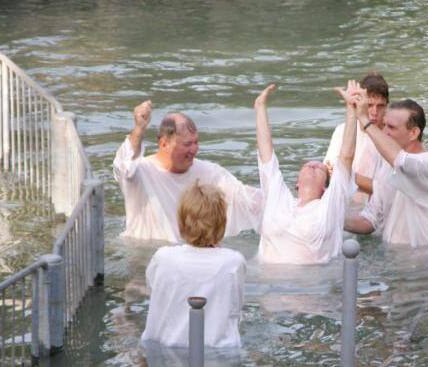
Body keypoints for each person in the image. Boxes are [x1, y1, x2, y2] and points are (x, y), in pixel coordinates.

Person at [113, 101, 261, 244]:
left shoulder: (209, 172)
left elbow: (244, 198)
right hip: (143, 255)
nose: (194, 149)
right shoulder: (140, 172)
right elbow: (123, 164)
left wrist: (274, 202)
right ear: (164, 144)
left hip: (189, 255)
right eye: (187, 144)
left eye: (196, 142)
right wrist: (139, 129)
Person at [253, 83, 358, 264]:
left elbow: (346, 157)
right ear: (297, 182)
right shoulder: (280, 199)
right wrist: (260, 107)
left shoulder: (329, 207)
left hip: (311, 286)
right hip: (268, 285)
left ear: (325, 187)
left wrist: (351, 110)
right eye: (307, 165)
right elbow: (266, 155)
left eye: (320, 169)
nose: (313, 165)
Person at [142, 182, 246, 348]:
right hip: (219, 352)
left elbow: (153, 289)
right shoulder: (233, 262)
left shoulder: (162, 258)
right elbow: (237, 306)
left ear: (181, 222)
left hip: (163, 349)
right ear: (222, 223)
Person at [344, 98, 428, 247]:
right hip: (393, 260)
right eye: (384, 126)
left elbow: (401, 161)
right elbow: (369, 220)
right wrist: (330, 216)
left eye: (391, 127)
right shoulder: (387, 167)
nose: (384, 132)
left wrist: (364, 119)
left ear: (413, 133)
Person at [324, 72, 389, 200]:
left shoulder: (391, 137)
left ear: (387, 106)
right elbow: (329, 172)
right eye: (369, 105)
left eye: (380, 106)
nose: (374, 112)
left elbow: (387, 191)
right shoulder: (342, 130)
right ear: (360, 103)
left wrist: (348, 174)